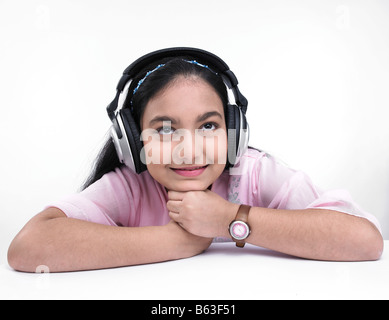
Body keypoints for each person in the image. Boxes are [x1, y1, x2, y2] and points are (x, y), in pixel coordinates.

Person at [8, 48, 383, 273]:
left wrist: (229, 219)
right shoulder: (130, 186)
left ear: (233, 132)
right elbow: (29, 248)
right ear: (133, 139)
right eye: (166, 130)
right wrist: (177, 242)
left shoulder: (252, 173)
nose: (189, 149)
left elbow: (364, 241)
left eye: (208, 125)